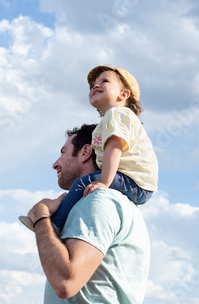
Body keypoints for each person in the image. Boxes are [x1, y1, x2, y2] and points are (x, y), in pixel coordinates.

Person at [20, 65, 158, 232]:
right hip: (135, 183)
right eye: (93, 84)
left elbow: (114, 148)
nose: (95, 86)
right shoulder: (110, 120)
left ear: (124, 94)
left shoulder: (118, 114)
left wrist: (104, 182)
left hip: (135, 182)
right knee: (85, 187)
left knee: (82, 183)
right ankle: (66, 212)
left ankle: (56, 224)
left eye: (104, 81)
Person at [27, 124, 150, 303]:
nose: (55, 164)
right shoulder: (115, 202)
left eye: (63, 153)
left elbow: (65, 282)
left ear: (85, 152)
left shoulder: (100, 200)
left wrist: (40, 217)